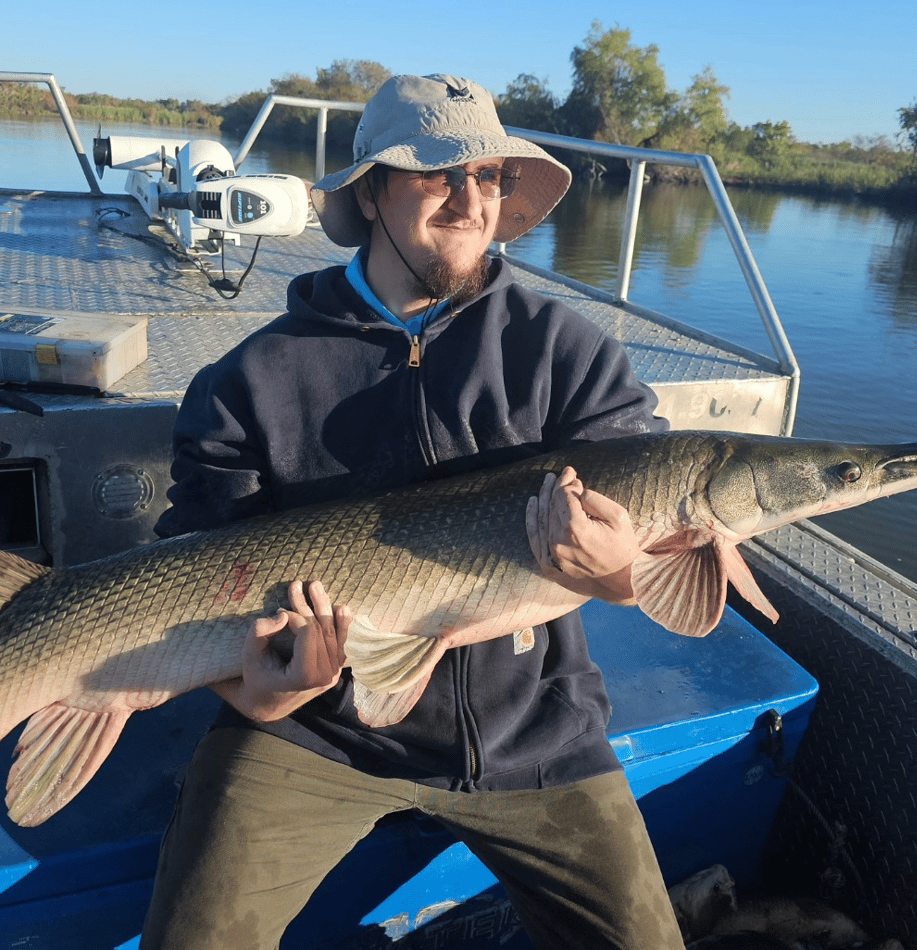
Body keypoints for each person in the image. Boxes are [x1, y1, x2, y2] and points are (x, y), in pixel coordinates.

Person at [141, 73, 684, 950]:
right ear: (371, 190)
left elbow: (647, 556)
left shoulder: (567, 351)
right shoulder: (251, 378)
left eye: (490, 177)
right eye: (438, 174)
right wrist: (265, 696)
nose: (470, 201)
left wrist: (621, 575)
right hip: (318, 734)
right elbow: (192, 574)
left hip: (534, 732)